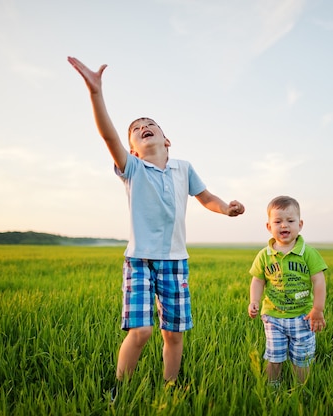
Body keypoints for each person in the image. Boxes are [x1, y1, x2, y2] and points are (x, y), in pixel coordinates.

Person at [68, 57, 246, 396]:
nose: (143, 126)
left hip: (175, 260)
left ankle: (170, 387)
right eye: (135, 129)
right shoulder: (133, 169)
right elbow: (107, 135)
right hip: (139, 260)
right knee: (142, 332)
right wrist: (96, 93)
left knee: (174, 334)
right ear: (132, 149)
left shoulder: (183, 168)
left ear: (167, 140)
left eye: (150, 124)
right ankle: (119, 389)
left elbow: (204, 196)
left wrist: (226, 208)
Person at [248, 195, 327, 385]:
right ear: (269, 227)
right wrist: (254, 301)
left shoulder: (307, 253)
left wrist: (317, 309)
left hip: (303, 316)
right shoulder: (264, 255)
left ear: (300, 225)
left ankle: (302, 388)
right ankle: (272, 388)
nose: (284, 225)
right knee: (274, 356)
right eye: (278, 221)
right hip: (273, 317)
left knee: (302, 358)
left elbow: (319, 281)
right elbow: (258, 280)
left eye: (290, 221)